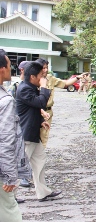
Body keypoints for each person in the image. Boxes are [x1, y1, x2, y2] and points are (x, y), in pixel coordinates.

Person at [16, 62, 62, 202]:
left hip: (32, 132)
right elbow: (41, 103)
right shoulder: (24, 89)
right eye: (41, 76)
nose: (44, 79)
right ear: (32, 76)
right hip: (26, 134)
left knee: (40, 161)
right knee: (19, 166)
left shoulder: (30, 87)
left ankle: (43, 192)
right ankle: (8, 196)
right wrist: (44, 87)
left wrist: (40, 121)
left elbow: (32, 109)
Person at [35, 58, 83, 148]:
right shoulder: (33, 78)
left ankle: (39, 158)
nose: (45, 70)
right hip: (36, 111)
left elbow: (65, 83)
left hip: (47, 112)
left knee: (43, 137)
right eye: (43, 68)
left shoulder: (50, 78)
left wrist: (77, 78)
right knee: (32, 137)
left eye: (46, 67)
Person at [0, 49, 23, 221]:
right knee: (10, 213)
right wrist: (10, 176)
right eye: (9, 65)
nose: (10, 69)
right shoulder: (5, 100)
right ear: (2, 69)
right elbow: (5, 139)